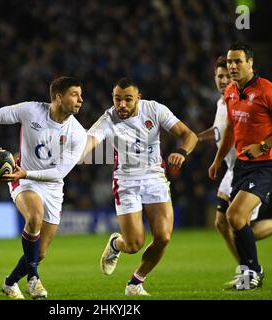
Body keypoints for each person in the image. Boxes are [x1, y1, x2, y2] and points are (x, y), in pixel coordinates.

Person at [82, 77, 198, 296]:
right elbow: (89, 141)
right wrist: (78, 152)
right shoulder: (108, 119)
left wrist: (182, 152)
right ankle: (117, 244)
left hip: (154, 178)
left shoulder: (154, 110)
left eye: (127, 99)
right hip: (126, 181)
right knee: (134, 244)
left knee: (163, 237)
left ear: (138, 98)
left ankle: (135, 283)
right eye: (117, 99)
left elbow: (189, 135)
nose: (122, 105)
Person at [0, 76, 87, 299]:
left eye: (80, 95)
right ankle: (34, 280)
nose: (80, 99)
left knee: (40, 252)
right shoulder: (32, 111)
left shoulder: (78, 134)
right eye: (74, 94)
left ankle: (10, 283)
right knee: (34, 217)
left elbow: (59, 172)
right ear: (58, 97)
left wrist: (27, 172)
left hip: (51, 185)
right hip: (24, 179)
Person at [198, 56, 272, 269]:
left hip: (258, 165)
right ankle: (244, 267)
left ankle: (250, 269)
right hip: (234, 168)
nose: (223, 80)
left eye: (226, 76)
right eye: (219, 76)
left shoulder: (259, 93)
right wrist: (203, 144)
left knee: (241, 224)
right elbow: (223, 132)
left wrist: (263, 146)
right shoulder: (224, 101)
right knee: (222, 223)